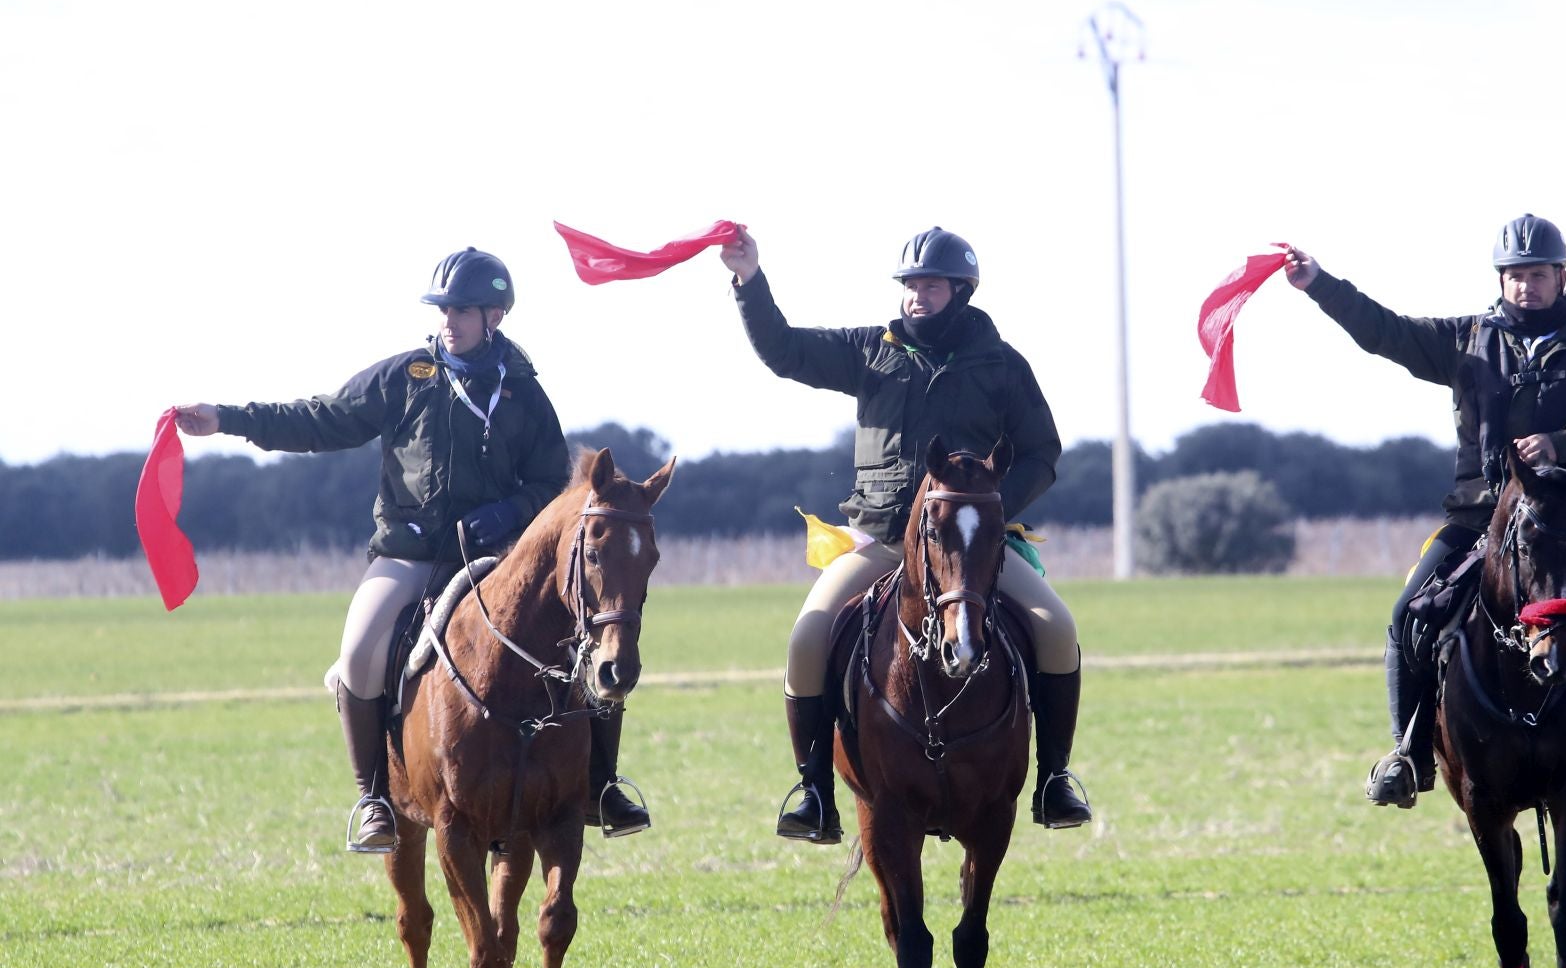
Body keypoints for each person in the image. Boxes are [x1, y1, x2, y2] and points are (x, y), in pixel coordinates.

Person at [174, 247, 654, 850]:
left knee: (586, 651)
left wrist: (504, 514)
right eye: (443, 308)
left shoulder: (526, 392)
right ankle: (373, 797)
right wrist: (226, 418)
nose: (448, 319)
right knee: (358, 653)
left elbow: (552, 484)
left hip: (501, 560)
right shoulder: (406, 377)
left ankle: (599, 787)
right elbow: (322, 419)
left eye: (462, 310)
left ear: (494, 317)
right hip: (410, 555)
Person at [1282, 214, 1566, 807]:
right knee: (1409, 610)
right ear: (1501, 279)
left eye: (1537, 274)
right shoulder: (1464, 340)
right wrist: (1319, 284)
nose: (1526, 286)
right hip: (1478, 518)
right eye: (1515, 275)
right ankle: (1407, 753)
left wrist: (1564, 443)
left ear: (1561, 277)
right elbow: (1385, 331)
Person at [719, 225, 1093, 843]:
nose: (918, 295)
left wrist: (989, 509)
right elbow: (783, 351)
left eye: (932, 286)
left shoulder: (1002, 365)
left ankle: (1053, 779)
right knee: (808, 637)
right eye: (911, 285)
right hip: (883, 539)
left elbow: (1042, 451)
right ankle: (813, 790)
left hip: (970, 552)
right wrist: (748, 281)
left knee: (1058, 629)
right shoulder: (871, 349)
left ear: (962, 292)